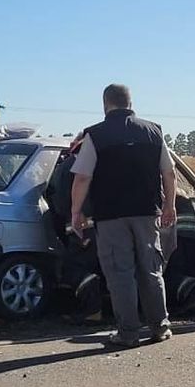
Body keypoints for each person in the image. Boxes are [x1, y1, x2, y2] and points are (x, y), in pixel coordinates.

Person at [70, 84, 176, 348]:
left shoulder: (95, 135)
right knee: (151, 270)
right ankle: (160, 326)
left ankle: (128, 333)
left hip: (111, 215)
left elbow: (82, 177)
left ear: (106, 104)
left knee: (121, 274)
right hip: (147, 213)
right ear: (130, 102)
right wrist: (169, 205)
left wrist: (76, 211)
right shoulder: (154, 131)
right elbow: (169, 173)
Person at [45, 132, 104, 324]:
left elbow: (60, 200)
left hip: (79, 228)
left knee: (73, 268)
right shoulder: (101, 164)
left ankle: (92, 310)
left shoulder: (69, 166)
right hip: (106, 228)